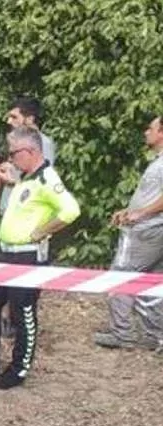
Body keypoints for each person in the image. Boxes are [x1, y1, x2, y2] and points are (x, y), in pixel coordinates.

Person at [0, 127, 80, 389]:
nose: (11, 159)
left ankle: (19, 369)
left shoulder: (47, 178)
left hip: (28, 257)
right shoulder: (27, 178)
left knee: (22, 312)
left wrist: (42, 231)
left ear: (31, 151)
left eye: (14, 153)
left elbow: (71, 210)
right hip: (7, 254)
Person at [94, 114, 163, 351]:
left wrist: (140, 214)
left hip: (146, 231)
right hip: (153, 231)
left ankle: (121, 333)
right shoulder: (159, 161)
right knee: (153, 281)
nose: (146, 132)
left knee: (121, 275)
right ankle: (154, 334)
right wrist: (130, 210)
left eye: (150, 128)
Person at [0, 96, 57, 212]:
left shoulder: (43, 143)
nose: (9, 121)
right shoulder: (17, 139)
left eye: (14, 117)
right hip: (11, 208)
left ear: (30, 119)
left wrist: (12, 181)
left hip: (27, 212)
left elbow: (43, 179)